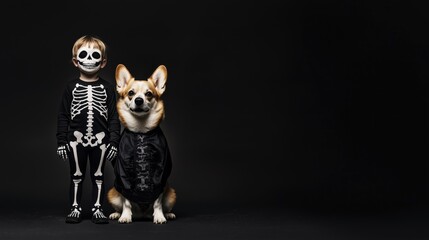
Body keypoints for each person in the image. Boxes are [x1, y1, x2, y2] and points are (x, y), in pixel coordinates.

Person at [56, 35, 120, 224]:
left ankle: (97, 209)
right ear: (76, 61)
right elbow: (63, 115)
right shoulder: (71, 87)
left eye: (95, 55)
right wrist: (61, 141)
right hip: (76, 140)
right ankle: (75, 208)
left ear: (103, 62)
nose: (90, 60)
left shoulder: (108, 88)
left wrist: (114, 142)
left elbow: (114, 118)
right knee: (76, 175)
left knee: (98, 175)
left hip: (101, 141)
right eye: (84, 55)